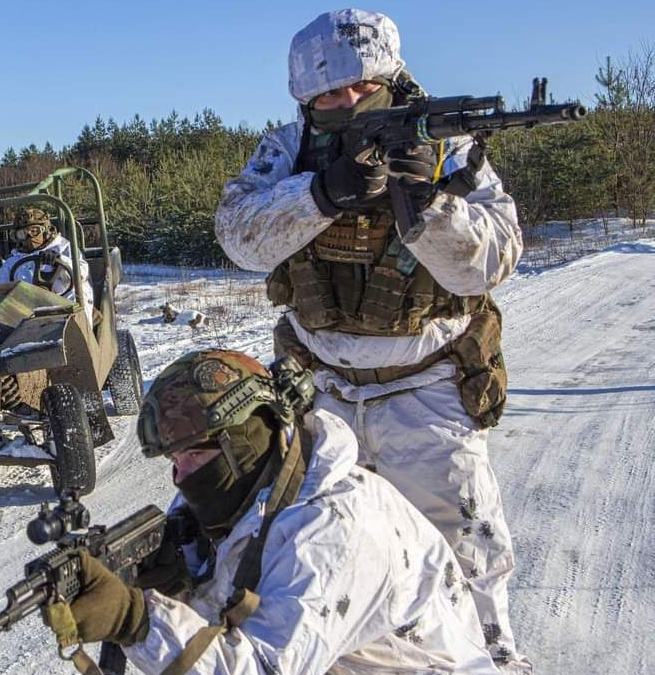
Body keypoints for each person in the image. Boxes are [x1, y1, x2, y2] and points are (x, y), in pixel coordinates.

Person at [213, 10, 527, 672]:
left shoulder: (447, 139)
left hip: (428, 391)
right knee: (314, 551)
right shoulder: (287, 150)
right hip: (320, 389)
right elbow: (238, 234)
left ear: (391, 75)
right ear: (306, 98)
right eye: (331, 94)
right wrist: (320, 194)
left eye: (363, 87)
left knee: (466, 548)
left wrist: (431, 207)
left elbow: (495, 258)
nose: (349, 103)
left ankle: (490, 659)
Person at [43, 349, 502, 675]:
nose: (180, 477)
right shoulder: (255, 492)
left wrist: (135, 620)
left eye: (193, 455)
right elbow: (235, 604)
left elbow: (263, 663)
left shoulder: (333, 528)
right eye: (173, 460)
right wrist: (180, 582)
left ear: (249, 439)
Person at [0, 207, 94, 324]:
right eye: (22, 234)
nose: (29, 237)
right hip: (28, 309)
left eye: (34, 231)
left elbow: (82, 271)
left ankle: (83, 332)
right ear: (17, 237)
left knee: (79, 293)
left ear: (46, 230)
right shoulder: (13, 260)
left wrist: (60, 260)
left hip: (64, 300)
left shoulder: (62, 247)